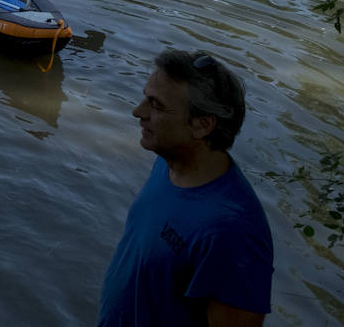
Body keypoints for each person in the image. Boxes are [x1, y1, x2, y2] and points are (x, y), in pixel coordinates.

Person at [97, 52, 273, 327]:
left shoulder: (234, 232)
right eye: (146, 98)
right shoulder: (167, 163)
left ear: (202, 125)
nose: (138, 111)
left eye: (155, 105)